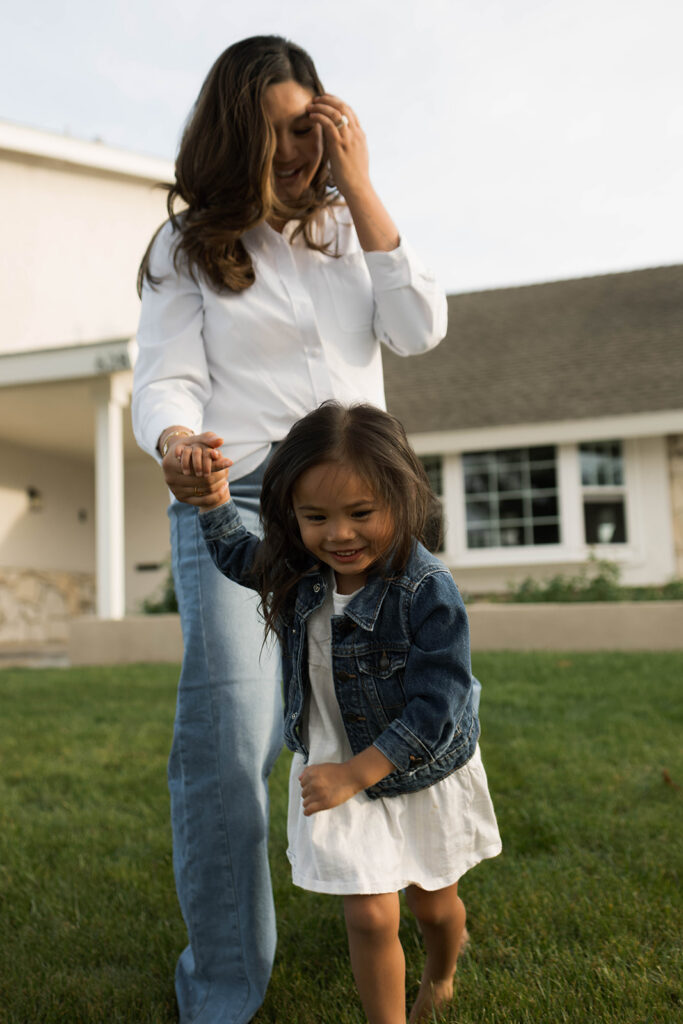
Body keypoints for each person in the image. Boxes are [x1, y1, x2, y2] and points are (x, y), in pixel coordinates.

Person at [131, 34, 448, 1024]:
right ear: (231, 133)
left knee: (386, 709)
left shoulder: (348, 230)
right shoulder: (183, 246)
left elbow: (417, 327)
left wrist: (361, 186)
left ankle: (407, 907)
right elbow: (166, 379)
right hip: (242, 496)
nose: (296, 154)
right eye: (274, 133)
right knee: (229, 738)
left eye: (308, 131)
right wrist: (181, 442)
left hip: (362, 498)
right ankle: (223, 992)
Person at [187, 401, 502, 1024]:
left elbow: (439, 702)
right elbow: (236, 557)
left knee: (433, 905)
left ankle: (442, 972)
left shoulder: (426, 587)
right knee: (370, 912)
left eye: (362, 514)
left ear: (402, 499)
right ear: (292, 515)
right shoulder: (302, 571)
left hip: (417, 766)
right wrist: (213, 500)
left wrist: (359, 772)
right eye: (317, 517)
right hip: (337, 763)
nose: (340, 534)